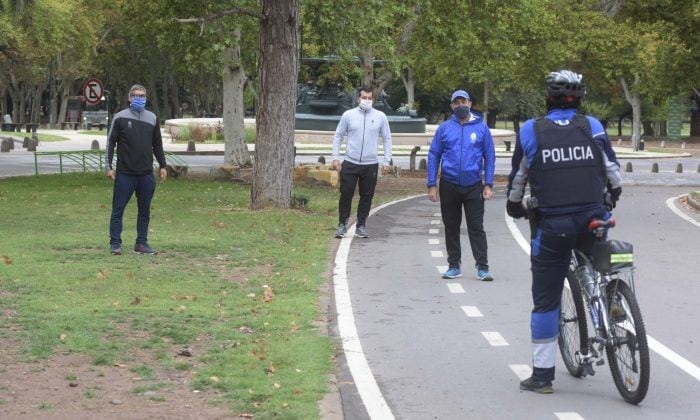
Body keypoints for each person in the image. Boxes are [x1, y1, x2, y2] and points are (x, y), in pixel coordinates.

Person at [506, 70, 622, 394]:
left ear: (548, 97)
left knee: (545, 301)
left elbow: (518, 180)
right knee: (598, 268)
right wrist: (612, 196)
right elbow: (613, 171)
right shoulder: (593, 126)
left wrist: (514, 207)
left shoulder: (531, 130)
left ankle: (542, 377)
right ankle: (614, 311)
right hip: (592, 219)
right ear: (579, 99)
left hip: (553, 226)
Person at [427, 89, 496, 281]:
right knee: (451, 226)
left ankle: (482, 267)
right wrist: (432, 184)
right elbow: (434, 155)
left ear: (470, 103)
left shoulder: (481, 128)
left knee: (476, 226)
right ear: (451, 106)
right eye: (456, 103)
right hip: (448, 184)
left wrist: (488, 184)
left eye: (463, 102)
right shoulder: (445, 128)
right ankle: (454, 265)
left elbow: (489, 157)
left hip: (473, 185)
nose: (460, 106)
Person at [106, 84, 167, 255]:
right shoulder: (120, 118)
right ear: (129, 98)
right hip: (125, 174)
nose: (140, 99)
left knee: (145, 211)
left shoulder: (152, 118)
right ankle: (115, 243)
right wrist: (108, 166)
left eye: (143, 96)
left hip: (146, 175)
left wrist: (163, 165)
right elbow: (110, 143)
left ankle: (141, 243)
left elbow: (157, 145)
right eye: (136, 96)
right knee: (118, 210)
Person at [332, 86, 392, 239]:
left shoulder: (380, 116)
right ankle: (342, 224)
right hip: (350, 162)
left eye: (369, 98)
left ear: (373, 99)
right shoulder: (348, 115)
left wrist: (386, 161)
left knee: (367, 196)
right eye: (364, 97)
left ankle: (361, 225)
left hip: (370, 164)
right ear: (358, 98)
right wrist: (335, 157)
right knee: (346, 193)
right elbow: (338, 135)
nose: (366, 100)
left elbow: (387, 138)